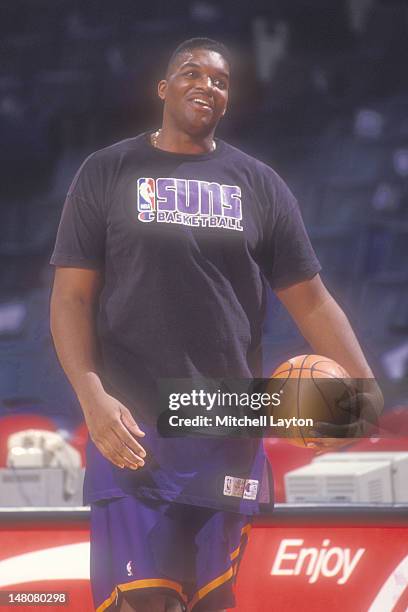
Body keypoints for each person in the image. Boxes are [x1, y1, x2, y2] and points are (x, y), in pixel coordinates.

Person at [49, 38, 382, 612]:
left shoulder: (260, 185)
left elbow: (312, 302)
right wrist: (90, 395)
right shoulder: (107, 171)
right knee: (145, 604)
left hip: (228, 418)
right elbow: (71, 299)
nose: (207, 85)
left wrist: (364, 395)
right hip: (134, 424)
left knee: (211, 603)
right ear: (163, 87)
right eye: (191, 73)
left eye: (221, 81)